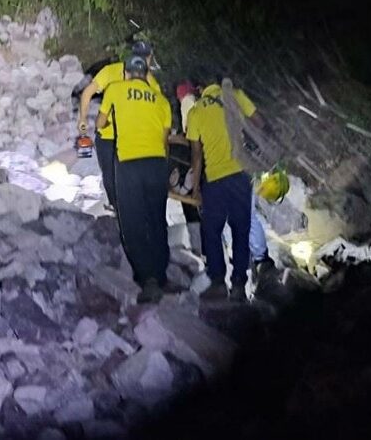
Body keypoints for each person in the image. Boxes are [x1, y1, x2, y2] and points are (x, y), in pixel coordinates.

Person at [96, 55, 172, 304]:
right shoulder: (161, 101)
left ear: (127, 73)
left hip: (129, 163)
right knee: (157, 219)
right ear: (146, 75)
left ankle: (148, 278)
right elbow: (164, 138)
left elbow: (101, 122)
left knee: (132, 222)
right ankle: (161, 274)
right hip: (157, 163)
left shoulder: (116, 89)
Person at [187, 79, 270, 301]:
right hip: (240, 174)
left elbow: (196, 155)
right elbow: (259, 122)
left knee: (211, 231)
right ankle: (239, 285)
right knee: (240, 230)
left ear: (199, 89)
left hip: (214, 180)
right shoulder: (235, 95)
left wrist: (196, 188)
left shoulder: (195, 112)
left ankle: (217, 282)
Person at [77, 41, 161, 210]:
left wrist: (83, 119)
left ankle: (119, 211)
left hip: (111, 137)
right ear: (149, 58)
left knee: (111, 177)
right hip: (129, 139)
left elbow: (87, 93)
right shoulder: (151, 84)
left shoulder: (111, 71)